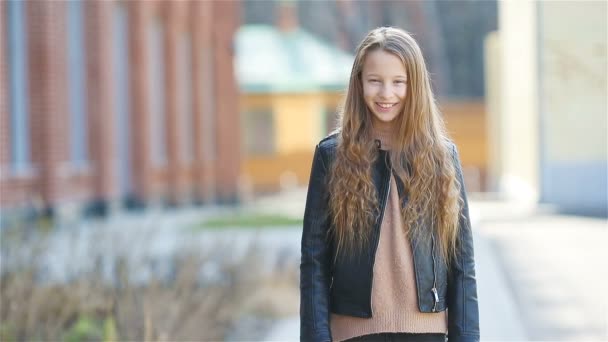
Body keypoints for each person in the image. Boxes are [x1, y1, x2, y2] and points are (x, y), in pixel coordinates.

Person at [300, 27, 479, 342]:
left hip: (427, 332)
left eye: (399, 82)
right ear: (359, 83)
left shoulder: (442, 157)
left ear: (416, 86)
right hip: (354, 333)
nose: (386, 94)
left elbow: (461, 264)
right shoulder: (331, 156)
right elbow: (314, 261)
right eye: (375, 81)